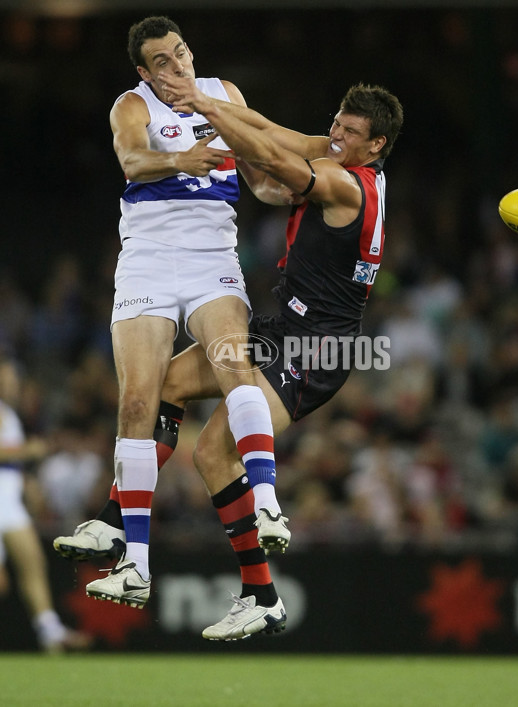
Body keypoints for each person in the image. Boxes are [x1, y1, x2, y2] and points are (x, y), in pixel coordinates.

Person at [55, 77, 404, 640]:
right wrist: (223, 123)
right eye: (336, 123)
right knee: (164, 384)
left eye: (350, 132)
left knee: (215, 455)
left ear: (377, 145)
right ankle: (118, 522)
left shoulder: (344, 183)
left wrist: (205, 109)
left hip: (317, 348)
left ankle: (261, 592)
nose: (335, 135)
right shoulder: (349, 171)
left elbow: (269, 151)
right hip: (286, 328)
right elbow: (268, 155)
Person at [56, 15, 311, 611]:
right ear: (144, 72)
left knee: (233, 365)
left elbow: (259, 176)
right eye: (163, 62)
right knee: (138, 402)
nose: (177, 68)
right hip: (146, 260)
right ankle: (135, 566)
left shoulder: (225, 96)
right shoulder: (131, 105)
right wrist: (181, 161)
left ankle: (269, 501)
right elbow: (132, 163)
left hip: (210, 259)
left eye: (182, 54)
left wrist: (298, 191)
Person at [0, 357, 92, 653]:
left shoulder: (8, 413)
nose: (12, 383)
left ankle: (49, 631)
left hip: (10, 502)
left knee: (33, 563)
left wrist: (27, 484)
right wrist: (30, 450)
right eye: (7, 377)